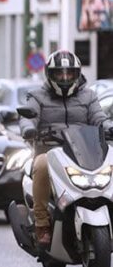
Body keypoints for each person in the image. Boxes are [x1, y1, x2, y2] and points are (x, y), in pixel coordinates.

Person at [19, 50, 113, 247]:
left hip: (84, 151)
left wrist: (108, 128)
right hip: (49, 150)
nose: (64, 77)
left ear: (77, 74)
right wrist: (28, 129)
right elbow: (28, 117)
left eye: (69, 73)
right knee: (41, 165)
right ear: (49, 74)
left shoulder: (89, 96)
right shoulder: (37, 96)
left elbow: (99, 119)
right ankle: (42, 224)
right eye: (59, 73)